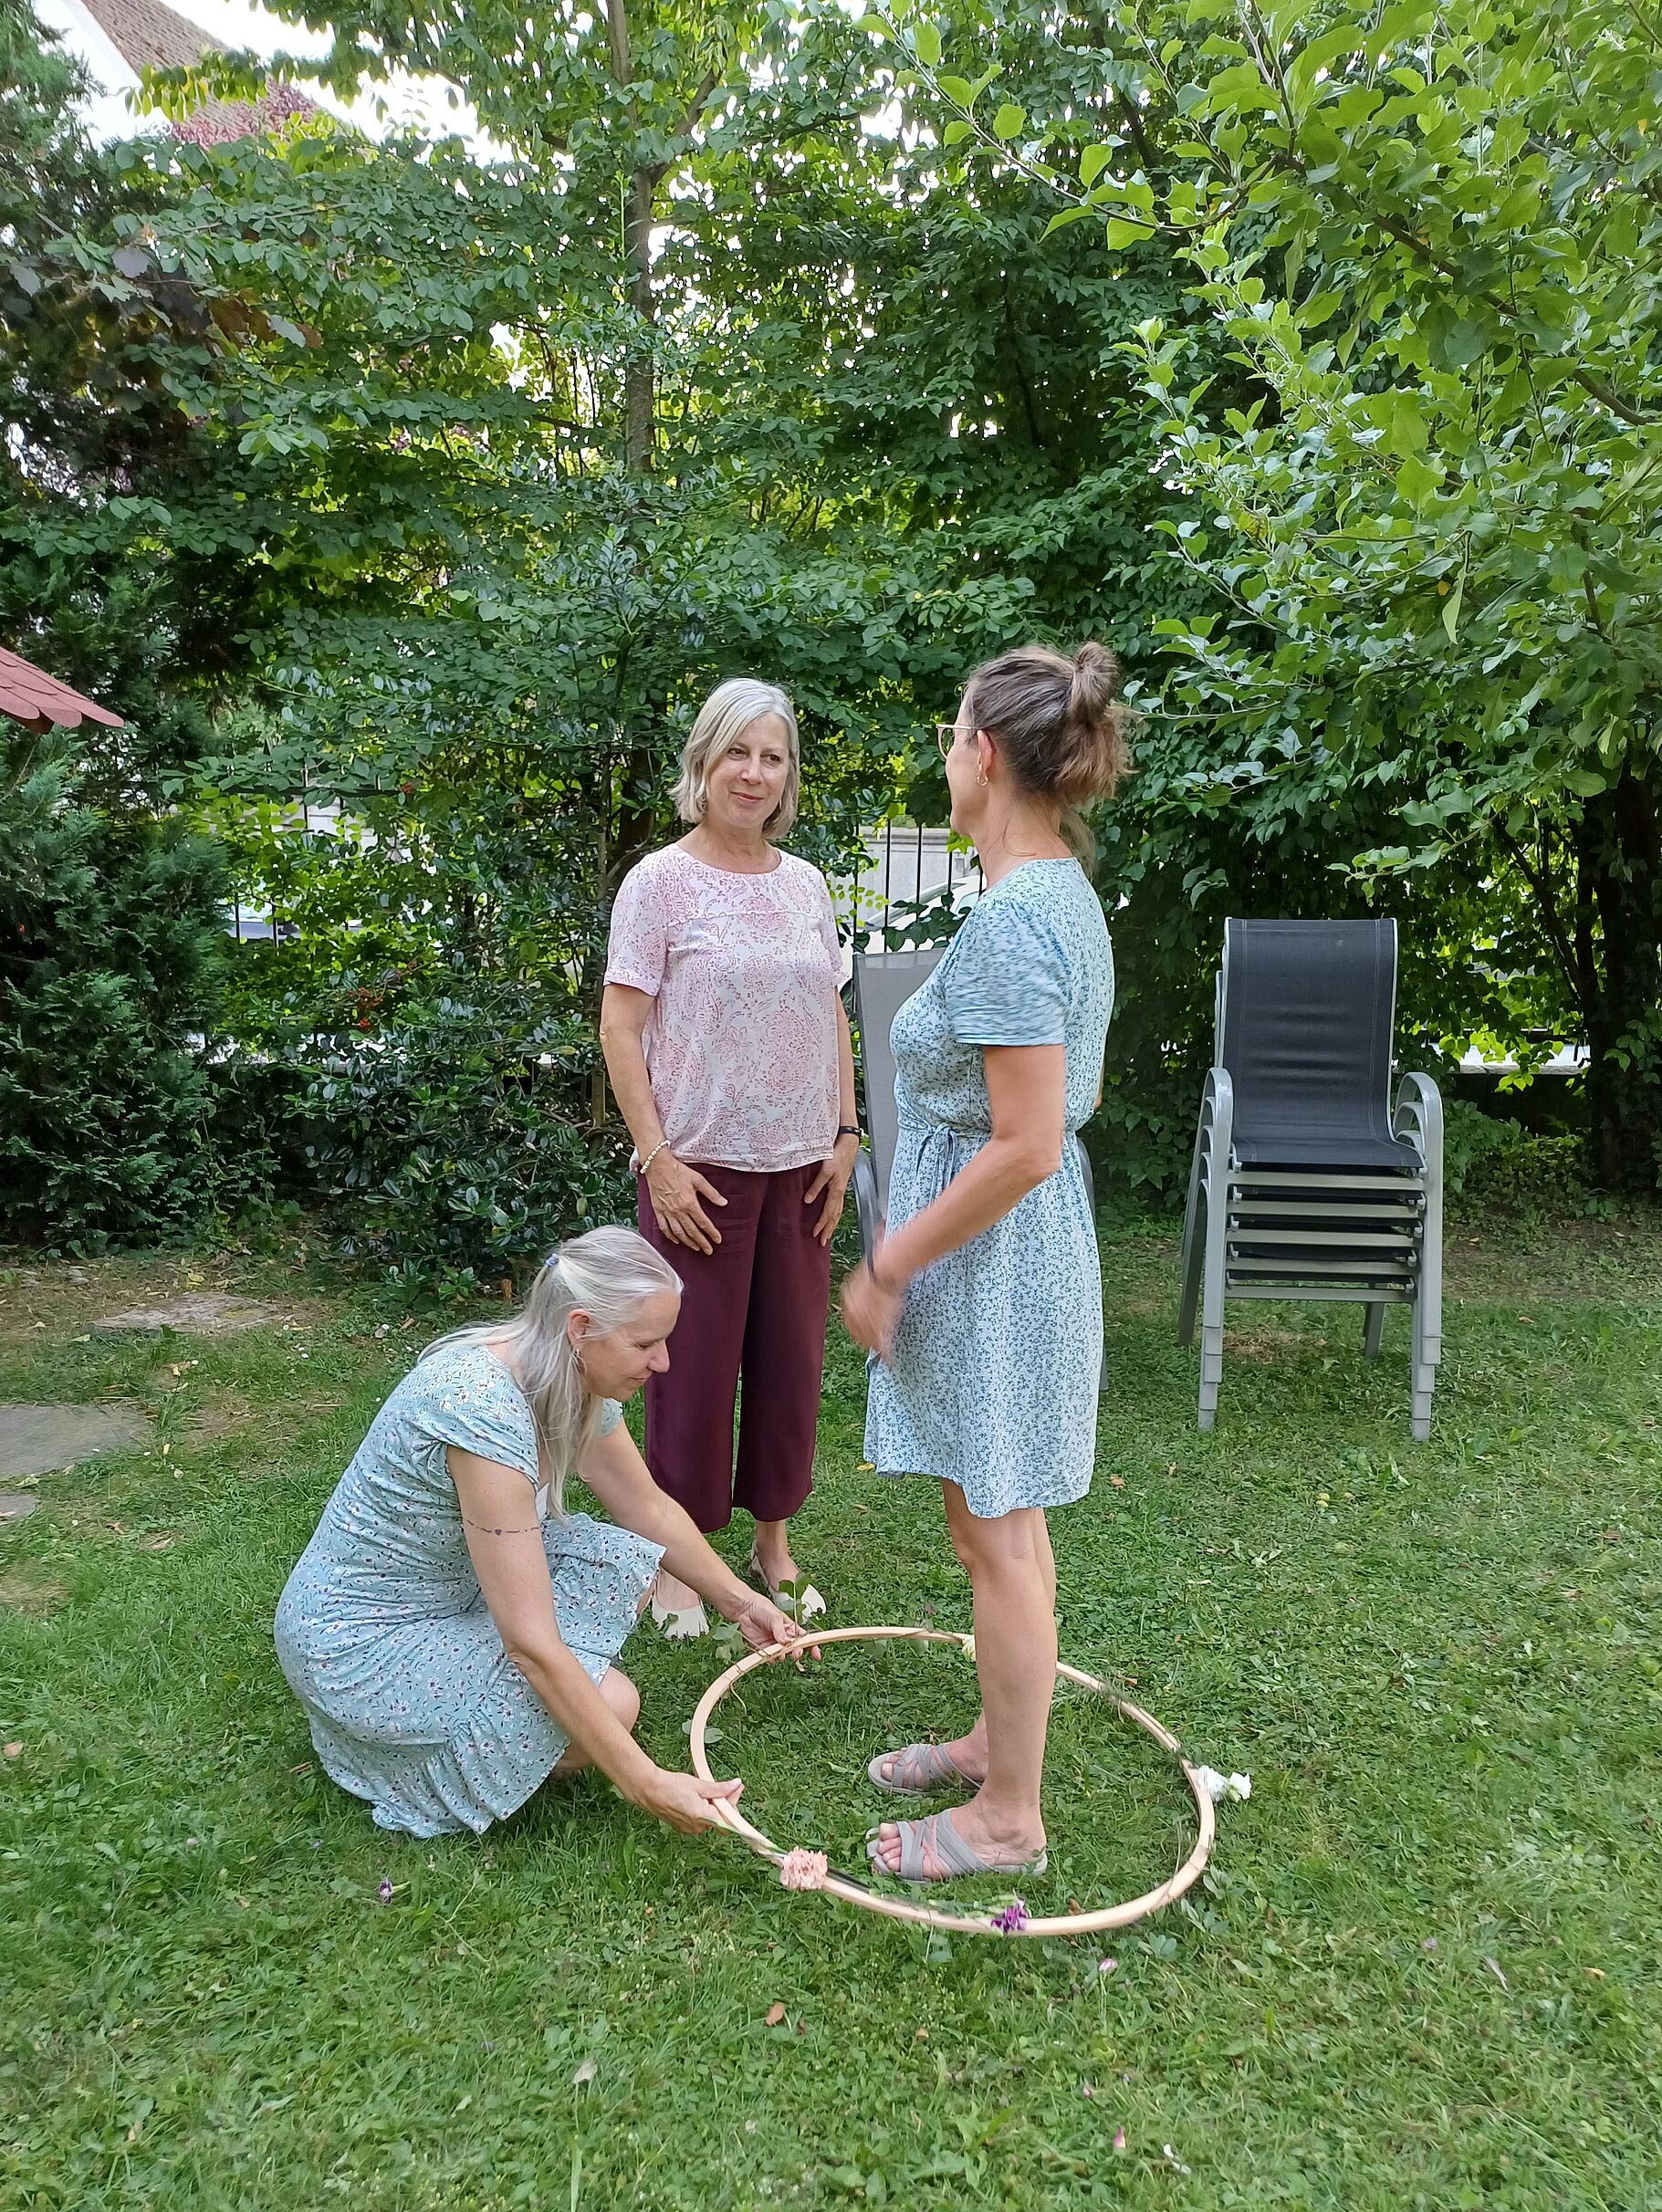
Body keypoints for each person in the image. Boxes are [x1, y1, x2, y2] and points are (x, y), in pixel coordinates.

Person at [841, 642, 1126, 1883]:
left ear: (987, 754)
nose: (945, 756)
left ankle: (1010, 1818)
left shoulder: (1017, 920)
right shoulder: (1055, 892)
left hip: (999, 1263)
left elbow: (1024, 1145)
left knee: (997, 1535)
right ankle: (995, 1743)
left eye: (953, 734)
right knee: (997, 1523)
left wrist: (890, 1261)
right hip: (1013, 1258)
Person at [274, 1229, 807, 1839]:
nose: (662, 1363)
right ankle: (391, 1747)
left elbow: (648, 1510)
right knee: (615, 1706)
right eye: (644, 1344)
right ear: (580, 1328)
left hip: (452, 1587)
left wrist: (741, 1603)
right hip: (355, 1638)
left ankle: (497, 1697)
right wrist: (646, 1783)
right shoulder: (480, 1412)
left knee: (625, 1566)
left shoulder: (567, 1377)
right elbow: (529, 1643)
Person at [600, 678, 859, 1632]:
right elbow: (620, 1029)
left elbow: (830, 1014)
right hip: (696, 1173)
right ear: (703, 763)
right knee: (689, 1376)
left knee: (790, 1369)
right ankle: (677, 1567)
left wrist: (846, 1135)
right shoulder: (658, 883)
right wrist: (656, 1158)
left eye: (773, 757)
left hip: (803, 1169)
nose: (754, 773)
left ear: (788, 775)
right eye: (737, 753)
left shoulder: (806, 885)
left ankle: (773, 1545)